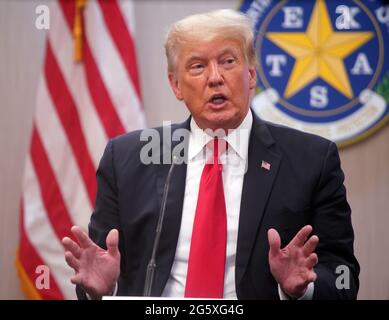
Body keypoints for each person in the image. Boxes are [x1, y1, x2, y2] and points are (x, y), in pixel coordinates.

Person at [62, 9, 359, 300]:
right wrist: (100, 290)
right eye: (197, 66)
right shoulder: (127, 159)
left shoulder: (312, 160)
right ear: (176, 85)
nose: (215, 77)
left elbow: (343, 277)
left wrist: (302, 289)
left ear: (251, 75)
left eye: (228, 61)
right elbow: (99, 266)